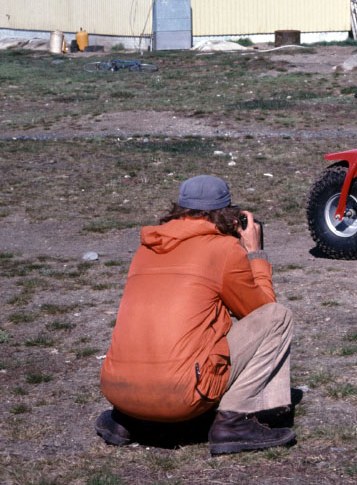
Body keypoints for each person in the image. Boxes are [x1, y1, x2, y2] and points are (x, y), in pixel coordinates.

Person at [95, 175, 296, 454]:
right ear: (230, 214)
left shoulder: (147, 247)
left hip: (118, 391)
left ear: (180, 210)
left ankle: (130, 419)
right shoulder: (223, 249)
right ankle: (233, 422)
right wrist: (255, 254)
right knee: (278, 317)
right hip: (180, 396)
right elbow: (260, 312)